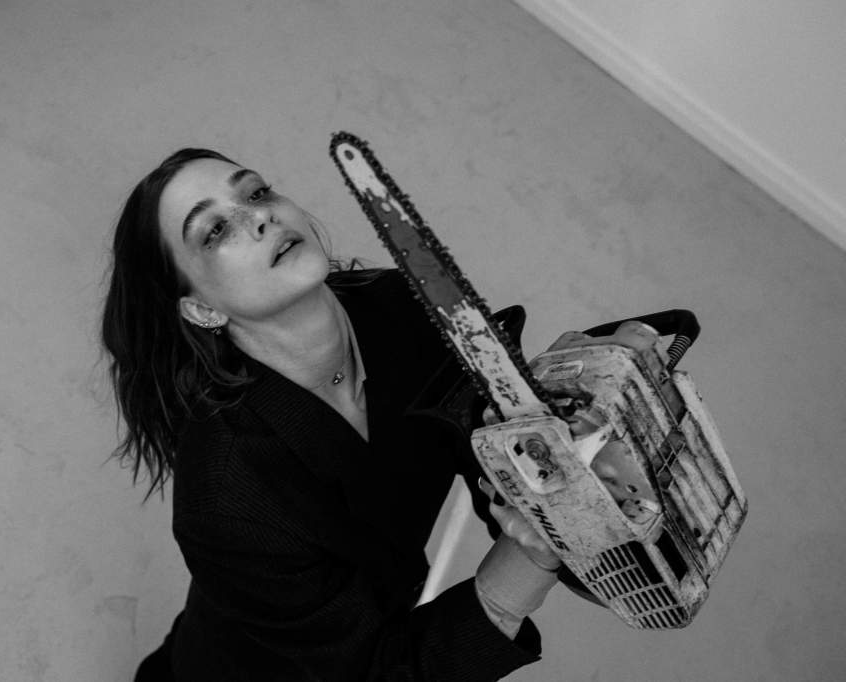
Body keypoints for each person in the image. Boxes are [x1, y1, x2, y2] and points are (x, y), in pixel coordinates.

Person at [101, 147, 565, 681]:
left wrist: (557, 477)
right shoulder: (225, 497)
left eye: (256, 192)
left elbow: (494, 458)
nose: (260, 216)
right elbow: (379, 673)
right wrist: (527, 561)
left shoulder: (409, 308)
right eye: (215, 230)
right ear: (203, 308)